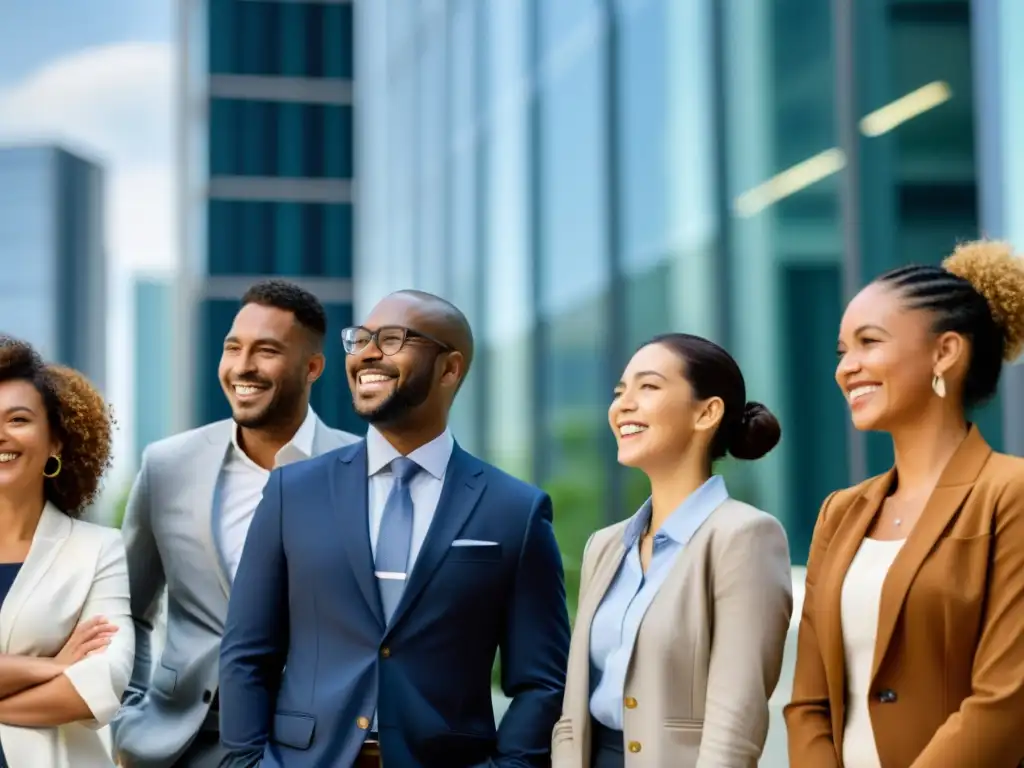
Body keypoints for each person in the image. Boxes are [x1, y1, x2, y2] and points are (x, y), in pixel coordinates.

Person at [219, 289, 571, 767]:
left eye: (391, 340)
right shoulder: (291, 493)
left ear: (450, 369)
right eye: (360, 339)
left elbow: (542, 682)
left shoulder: (515, 511)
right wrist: (247, 764)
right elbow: (246, 655)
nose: (366, 354)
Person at [785, 240, 1024, 766]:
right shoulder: (839, 514)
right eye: (842, 351)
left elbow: (1006, 699)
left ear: (945, 352)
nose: (846, 369)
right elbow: (808, 705)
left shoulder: (1010, 494)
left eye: (869, 342)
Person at [111, 280, 359, 768]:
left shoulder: (362, 469)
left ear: (312, 368)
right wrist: (128, 718)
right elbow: (126, 611)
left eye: (267, 351)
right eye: (232, 347)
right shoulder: (167, 467)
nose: (242, 366)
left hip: (319, 749)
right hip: (183, 743)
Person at [551, 333, 792, 767]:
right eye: (619, 392)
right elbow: (575, 707)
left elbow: (735, 724)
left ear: (707, 412)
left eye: (648, 386)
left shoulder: (745, 537)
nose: (622, 405)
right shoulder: (604, 546)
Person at [0, 336, 133, 767]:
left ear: (56, 441)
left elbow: (103, 681)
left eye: (18, 419)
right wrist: (54, 666)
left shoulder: (98, 550)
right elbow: (73, 679)